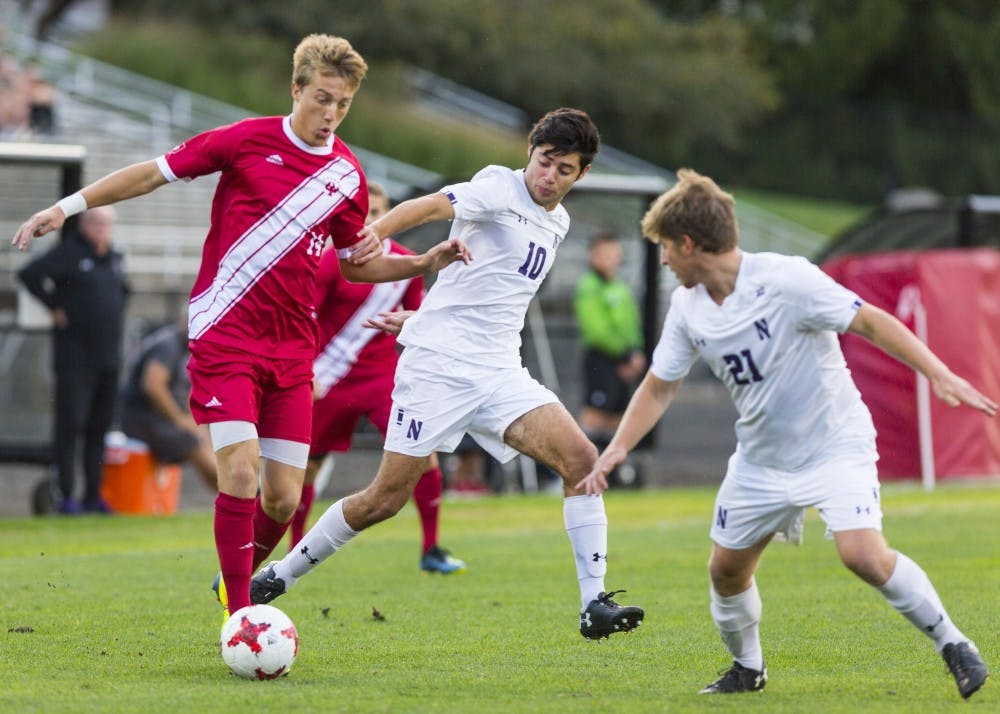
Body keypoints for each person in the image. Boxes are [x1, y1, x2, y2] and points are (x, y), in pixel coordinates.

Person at [12, 33, 469, 618]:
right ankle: (238, 616)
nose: (331, 114)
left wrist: (421, 262)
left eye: (343, 104)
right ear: (296, 88)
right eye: (322, 98)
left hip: (292, 351)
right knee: (240, 470)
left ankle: (236, 576)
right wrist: (66, 207)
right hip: (225, 337)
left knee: (282, 498)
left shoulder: (348, 178)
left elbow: (358, 264)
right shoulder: (245, 140)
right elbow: (152, 175)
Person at [580, 169, 996, 698]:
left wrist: (939, 372)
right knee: (726, 572)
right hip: (760, 460)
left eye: (665, 247)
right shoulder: (687, 307)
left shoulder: (786, 279)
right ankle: (748, 669)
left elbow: (869, 321)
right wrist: (617, 447)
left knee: (862, 555)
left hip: (834, 445)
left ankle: (954, 644)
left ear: (688, 243)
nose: (662, 260)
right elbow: (660, 386)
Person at [250, 107, 645, 641]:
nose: (548, 176)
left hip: (500, 371)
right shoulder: (497, 188)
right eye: (544, 161)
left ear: (582, 174)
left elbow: (490, 292)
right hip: (438, 370)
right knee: (383, 501)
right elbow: (430, 205)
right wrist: (375, 231)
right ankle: (277, 576)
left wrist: (422, 316)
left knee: (581, 461)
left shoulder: (559, 221)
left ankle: (593, 603)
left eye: (564, 169)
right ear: (530, 153)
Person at [289, 181, 465, 574]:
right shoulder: (333, 261)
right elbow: (306, 318)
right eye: (366, 214)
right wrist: (304, 372)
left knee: (422, 455)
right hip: (330, 380)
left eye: (379, 213)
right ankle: (293, 549)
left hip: (382, 379)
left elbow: (419, 318)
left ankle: (431, 548)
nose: (372, 221)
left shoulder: (408, 263)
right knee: (304, 468)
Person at [18, 206, 129, 514]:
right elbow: (29, 274)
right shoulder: (69, 253)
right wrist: (54, 305)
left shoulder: (114, 259)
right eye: (95, 223)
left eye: (106, 223)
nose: (100, 229)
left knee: (99, 428)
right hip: (75, 360)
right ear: (84, 225)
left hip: (108, 359)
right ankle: (66, 495)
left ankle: (93, 494)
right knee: (71, 427)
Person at [573, 230, 645, 485]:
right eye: (603, 253)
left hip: (624, 362)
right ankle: (581, 471)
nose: (608, 258)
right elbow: (596, 329)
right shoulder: (589, 286)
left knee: (617, 418)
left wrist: (634, 353)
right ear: (592, 256)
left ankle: (613, 476)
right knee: (595, 416)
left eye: (613, 253)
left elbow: (631, 324)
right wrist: (623, 354)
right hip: (601, 360)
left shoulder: (619, 287)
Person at [118, 319, 217, 490]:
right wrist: (179, 419)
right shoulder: (168, 345)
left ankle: (232, 497)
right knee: (193, 442)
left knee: (201, 436)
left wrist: (192, 421)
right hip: (141, 418)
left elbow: (184, 392)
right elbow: (153, 386)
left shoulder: (185, 349)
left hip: (156, 417)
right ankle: (239, 495)